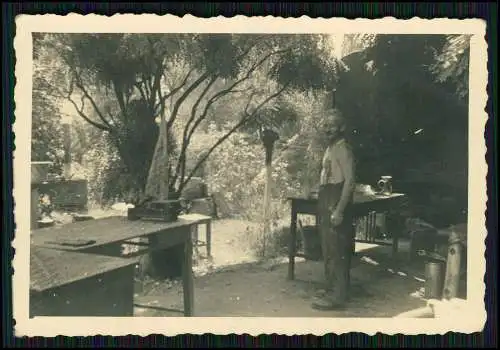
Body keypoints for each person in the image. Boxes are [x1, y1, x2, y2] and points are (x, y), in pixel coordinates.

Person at [311, 108, 356, 311]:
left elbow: (350, 181)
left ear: (342, 127)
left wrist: (339, 209)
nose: (328, 128)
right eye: (326, 125)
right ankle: (331, 288)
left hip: (336, 199)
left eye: (332, 124)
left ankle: (338, 296)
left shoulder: (343, 148)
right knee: (328, 248)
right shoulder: (330, 148)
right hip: (326, 196)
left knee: (337, 249)